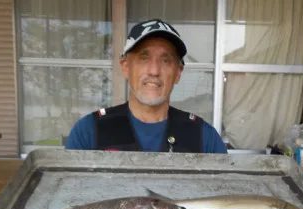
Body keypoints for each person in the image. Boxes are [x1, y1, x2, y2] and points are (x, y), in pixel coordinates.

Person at [65, 19, 228, 154]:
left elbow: (226, 191)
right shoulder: (89, 132)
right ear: (126, 67)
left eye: (166, 60)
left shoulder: (203, 137)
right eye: (144, 58)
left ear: (178, 72)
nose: (154, 71)